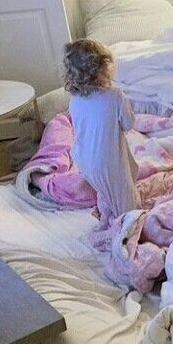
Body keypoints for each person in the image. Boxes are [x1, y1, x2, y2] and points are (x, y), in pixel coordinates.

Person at [63, 39, 139, 227]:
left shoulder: (74, 99)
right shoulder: (114, 96)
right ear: (103, 66)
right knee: (128, 211)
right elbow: (129, 124)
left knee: (106, 189)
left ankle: (106, 215)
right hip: (108, 162)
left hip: (83, 159)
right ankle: (119, 233)